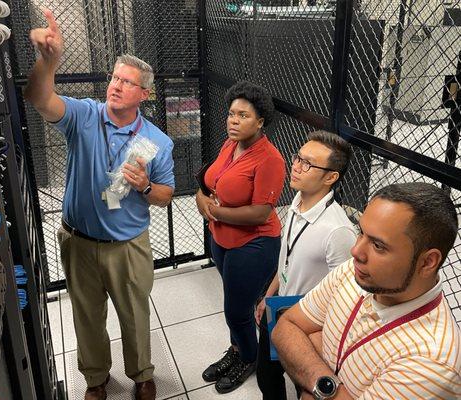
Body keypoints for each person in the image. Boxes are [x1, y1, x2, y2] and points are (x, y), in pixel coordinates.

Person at [25, 9, 175, 400]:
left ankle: (142, 373)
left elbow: (166, 196)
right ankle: (95, 380)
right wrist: (48, 62)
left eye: (128, 82)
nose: (117, 85)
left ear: (144, 94)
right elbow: (39, 98)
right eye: (114, 77)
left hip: (128, 247)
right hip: (79, 243)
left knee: (134, 317)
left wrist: (144, 187)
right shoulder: (84, 116)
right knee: (87, 318)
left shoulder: (158, 142)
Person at [272, 182, 460, 400]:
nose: (355, 251)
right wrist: (326, 386)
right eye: (361, 232)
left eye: (378, 246)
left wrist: (311, 351)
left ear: (427, 262)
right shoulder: (354, 274)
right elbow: (286, 326)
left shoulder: (432, 363)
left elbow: (297, 335)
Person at [195, 81, 286, 393]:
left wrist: (215, 211)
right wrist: (202, 199)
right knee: (238, 304)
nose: (233, 120)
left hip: (254, 244)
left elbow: (261, 212)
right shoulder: (229, 145)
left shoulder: (270, 159)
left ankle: (248, 357)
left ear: (259, 122)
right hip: (222, 240)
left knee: (236, 310)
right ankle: (237, 349)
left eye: (243, 116)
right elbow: (209, 182)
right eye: (232, 114)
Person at [255, 131, 357, 400]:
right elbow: (285, 259)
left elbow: (344, 298)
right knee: (267, 376)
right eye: (297, 158)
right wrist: (269, 296)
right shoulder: (297, 202)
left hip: (307, 327)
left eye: (307, 163)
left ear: (331, 177)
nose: (296, 166)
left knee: (304, 386)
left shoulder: (339, 231)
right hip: (278, 308)